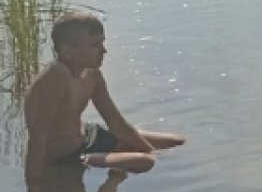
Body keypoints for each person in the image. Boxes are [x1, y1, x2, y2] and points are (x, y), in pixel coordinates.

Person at [24, 11, 185, 182]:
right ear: (68, 51)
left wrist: (148, 148)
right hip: (66, 155)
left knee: (176, 141)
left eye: (102, 43)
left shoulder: (93, 76)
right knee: (146, 162)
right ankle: (107, 173)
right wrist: (33, 183)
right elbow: (38, 134)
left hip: (88, 135)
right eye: (95, 46)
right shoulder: (56, 76)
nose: (104, 51)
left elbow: (117, 123)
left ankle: (115, 160)